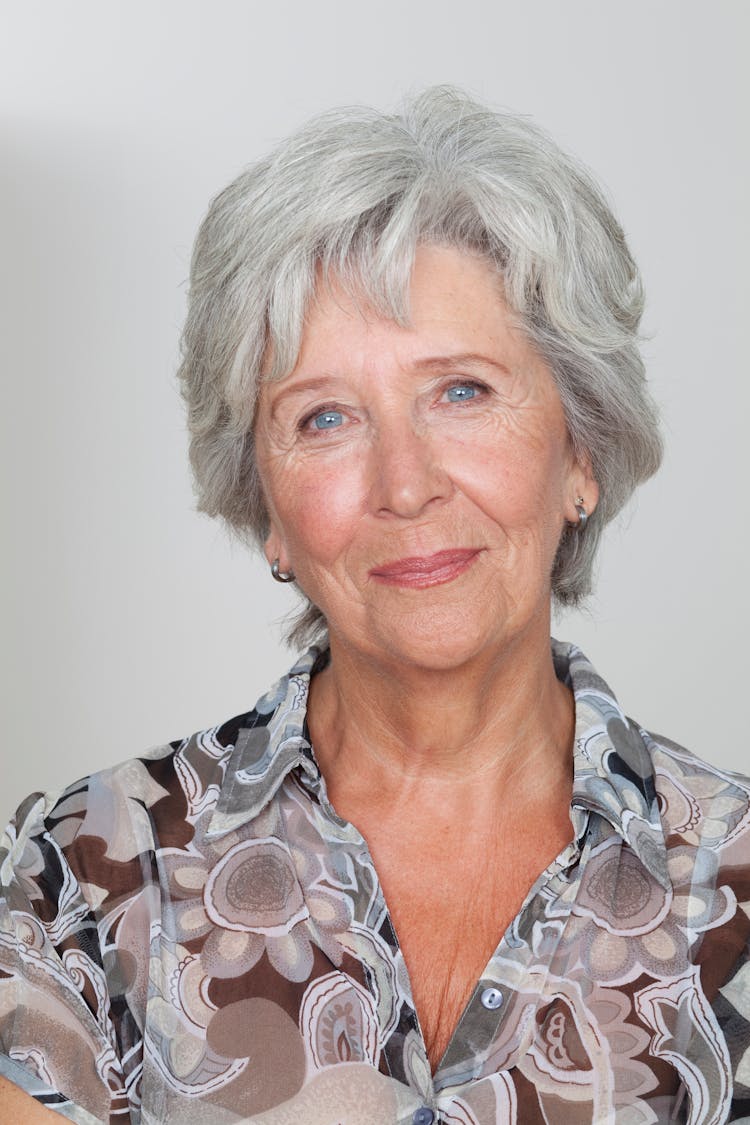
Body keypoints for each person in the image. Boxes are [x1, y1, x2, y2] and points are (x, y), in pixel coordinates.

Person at [1, 86, 748, 1125]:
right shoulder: (88, 874)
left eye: (462, 392)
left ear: (581, 449)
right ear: (263, 502)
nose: (406, 484)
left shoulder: (738, 882)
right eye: (325, 417)